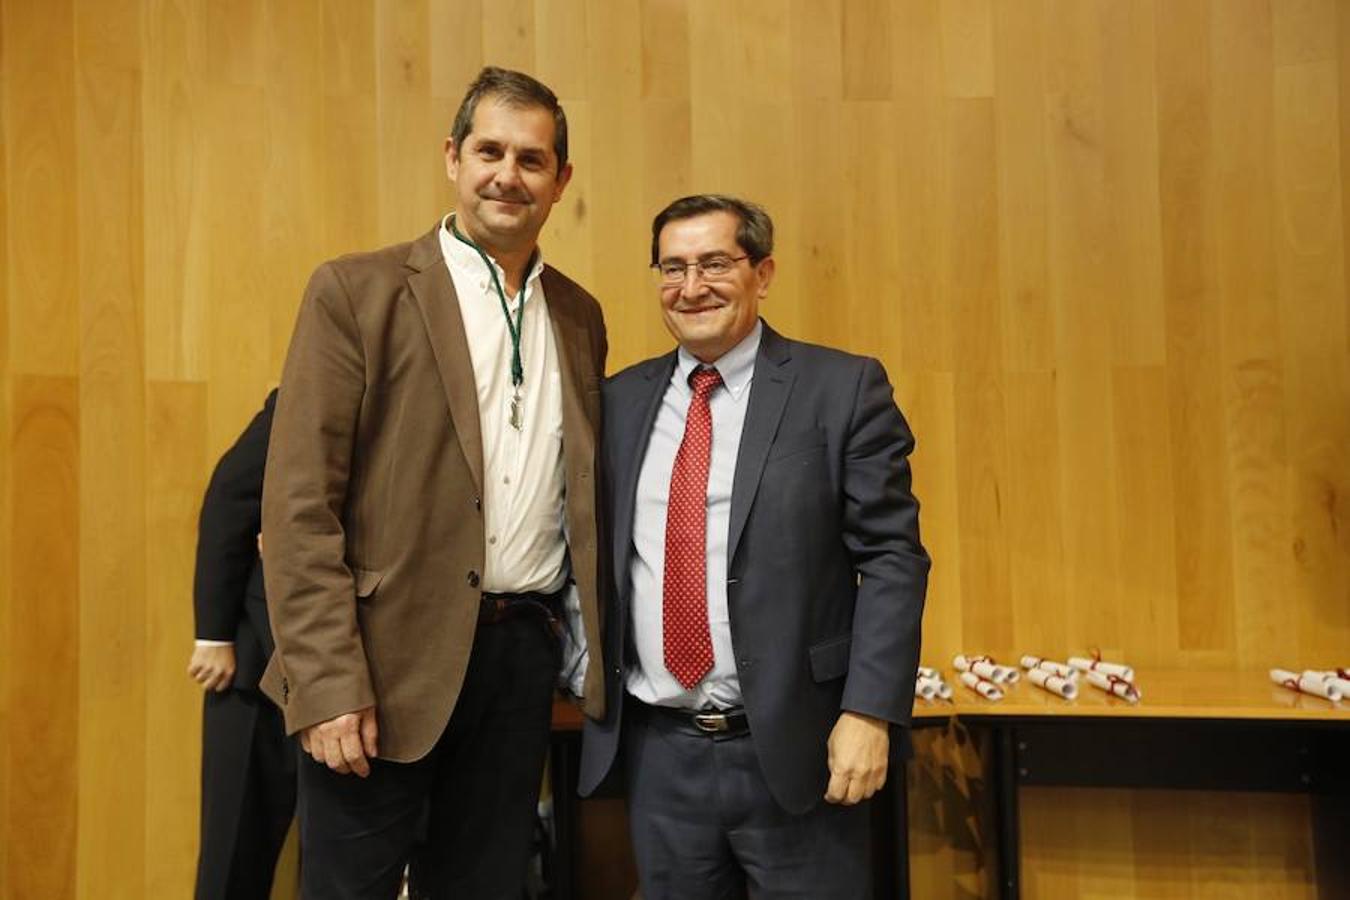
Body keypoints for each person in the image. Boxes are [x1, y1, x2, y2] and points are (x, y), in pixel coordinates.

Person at [259, 66, 608, 899]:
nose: (507, 175)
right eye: (490, 150)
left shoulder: (579, 313)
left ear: (561, 181)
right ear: (453, 157)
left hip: (519, 660)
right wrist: (329, 682)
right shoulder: (357, 290)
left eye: (532, 159)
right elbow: (300, 506)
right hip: (379, 670)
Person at [579, 195, 929, 899]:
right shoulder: (618, 401)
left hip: (799, 750)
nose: (691, 286)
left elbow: (893, 557)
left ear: (763, 273)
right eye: (672, 268)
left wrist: (869, 712)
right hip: (661, 755)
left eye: (715, 263)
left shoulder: (841, 388)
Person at [188, 389, 298, 899]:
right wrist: (213, 634)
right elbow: (230, 496)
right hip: (255, 665)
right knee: (234, 856)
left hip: (350, 679)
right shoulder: (305, 390)